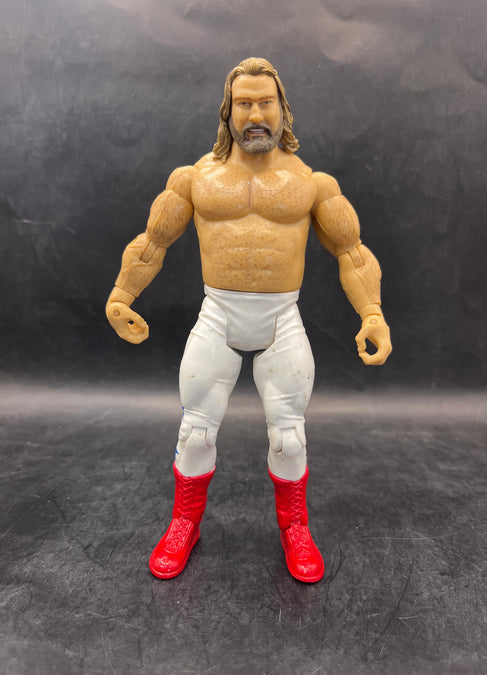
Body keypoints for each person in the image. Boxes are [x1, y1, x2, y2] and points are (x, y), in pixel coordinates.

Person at [106, 57, 392, 583]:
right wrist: (123, 295)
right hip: (218, 314)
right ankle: (183, 523)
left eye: (265, 102)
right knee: (195, 432)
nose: (256, 114)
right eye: (244, 103)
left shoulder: (312, 184)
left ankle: (295, 527)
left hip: (281, 317)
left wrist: (372, 312)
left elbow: (351, 251)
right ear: (227, 111)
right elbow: (153, 241)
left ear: (284, 110)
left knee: (290, 437)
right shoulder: (195, 178)